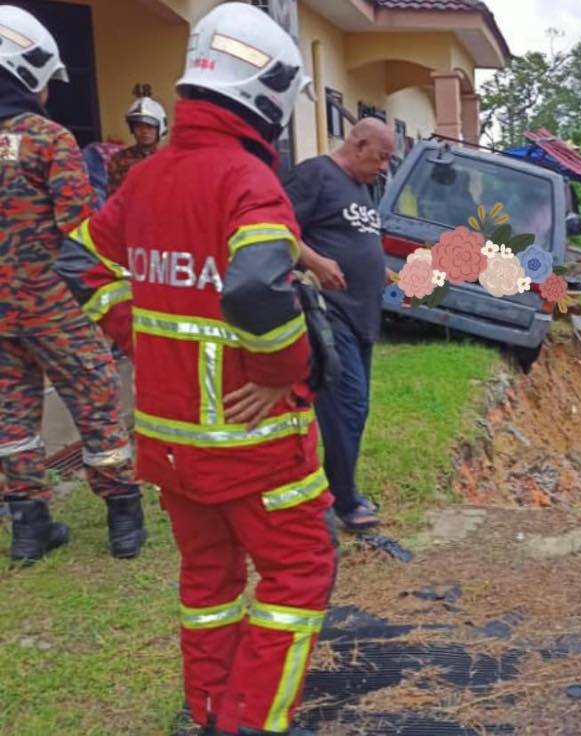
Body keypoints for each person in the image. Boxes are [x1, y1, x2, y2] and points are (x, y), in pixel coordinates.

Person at [56, 4, 334, 735]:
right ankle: (251, 721)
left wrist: (138, 333)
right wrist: (281, 373)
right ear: (266, 92)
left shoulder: (147, 179)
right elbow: (255, 288)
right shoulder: (249, 180)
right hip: (252, 441)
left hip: (170, 439)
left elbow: (81, 262)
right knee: (298, 573)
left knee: (209, 580)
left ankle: (209, 711)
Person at [0, 4, 146, 564]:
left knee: (12, 414)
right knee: (96, 396)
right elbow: (83, 230)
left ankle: (29, 528)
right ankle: (124, 520)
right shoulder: (49, 139)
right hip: (54, 305)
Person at [282, 117, 396, 532]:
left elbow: (353, 238)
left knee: (356, 406)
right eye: (380, 157)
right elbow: (276, 229)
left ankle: (340, 490)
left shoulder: (362, 187)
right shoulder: (315, 175)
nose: (384, 167)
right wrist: (315, 262)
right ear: (358, 144)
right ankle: (344, 502)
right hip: (328, 312)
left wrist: (379, 269)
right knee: (347, 406)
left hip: (362, 315)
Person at [105, 95, 167, 197]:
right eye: (139, 126)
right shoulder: (119, 159)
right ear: (132, 129)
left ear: (159, 129)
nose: (144, 131)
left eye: (150, 126)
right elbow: (113, 197)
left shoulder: (167, 160)